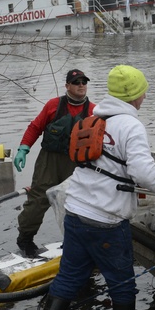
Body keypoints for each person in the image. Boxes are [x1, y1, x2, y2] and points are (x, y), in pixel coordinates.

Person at [32, 65, 155, 310]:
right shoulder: (131, 126)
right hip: (106, 221)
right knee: (122, 284)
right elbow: (142, 171)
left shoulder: (93, 117)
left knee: (68, 278)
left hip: (76, 212)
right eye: (143, 92)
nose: (144, 96)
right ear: (136, 95)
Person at [14, 69, 96, 256]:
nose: (81, 85)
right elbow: (35, 127)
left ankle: (74, 242)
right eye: (76, 82)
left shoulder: (93, 110)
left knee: (78, 202)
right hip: (49, 160)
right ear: (67, 86)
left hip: (77, 163)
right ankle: (25, 239)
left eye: (84, 81)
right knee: (38, 199)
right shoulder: (53, 105)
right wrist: (23, 149)